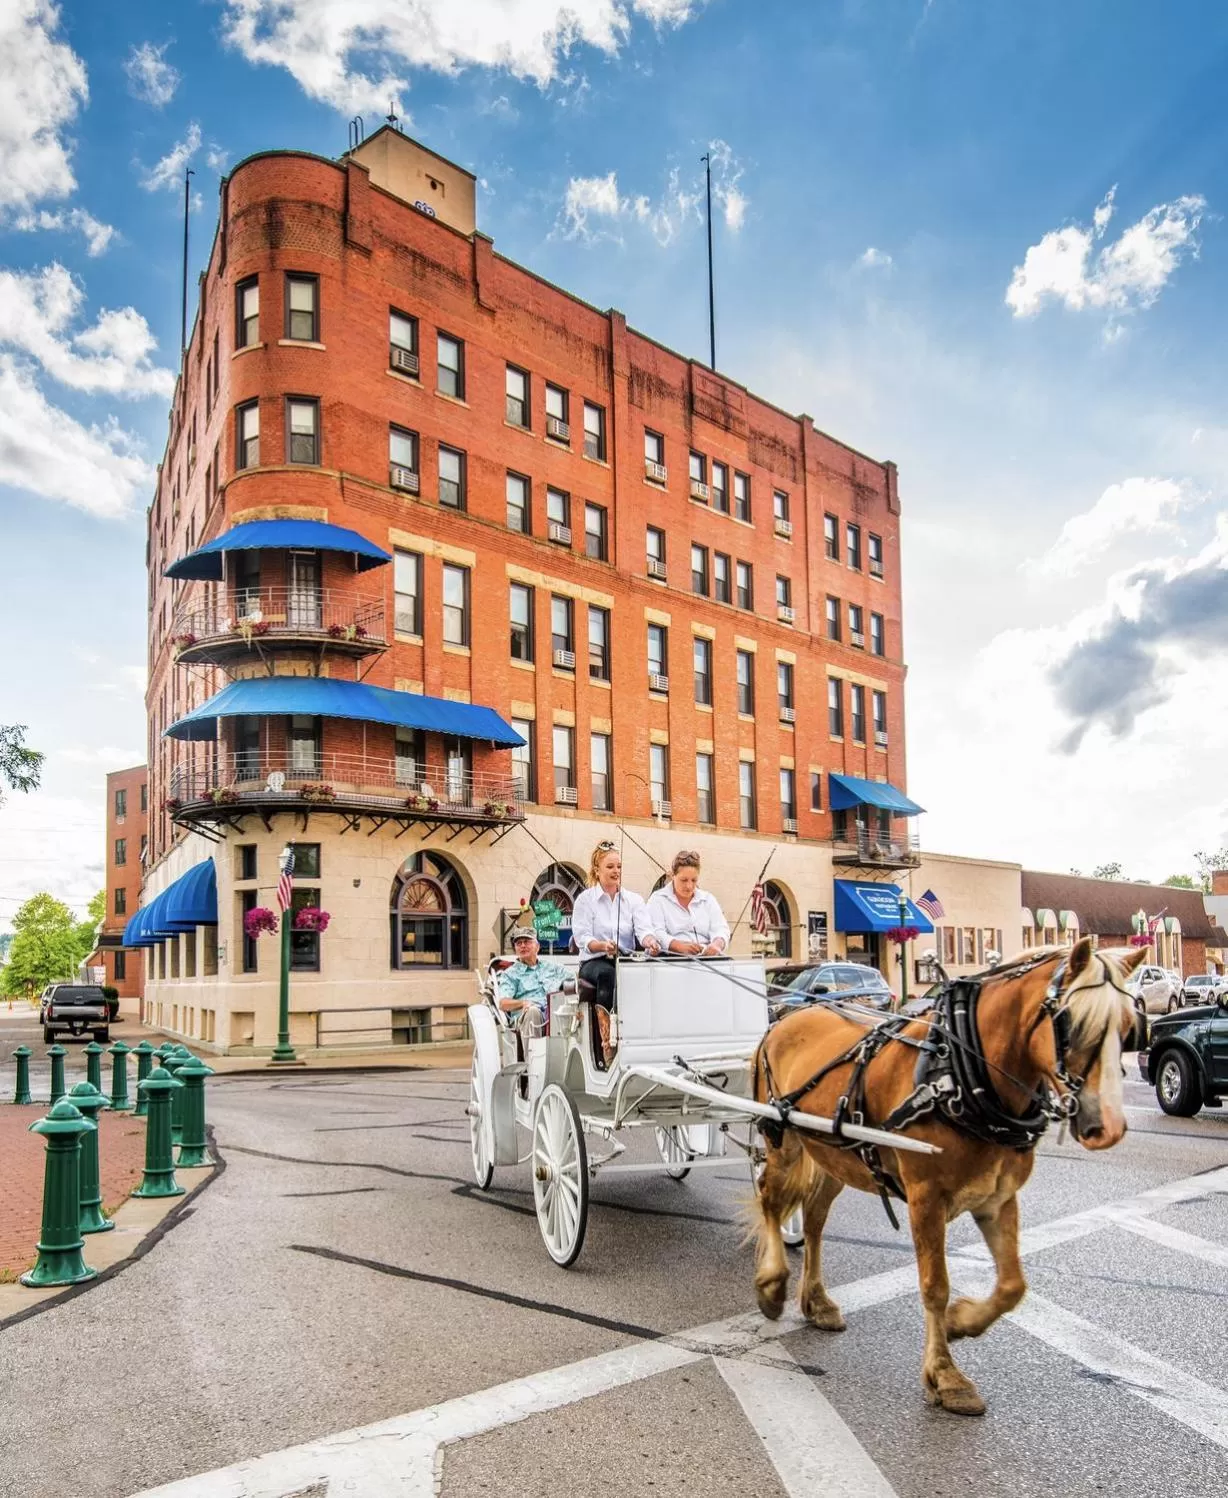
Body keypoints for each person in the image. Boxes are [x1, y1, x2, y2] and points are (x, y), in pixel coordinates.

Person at [571, 840, 661, 1064]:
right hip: (594, 961)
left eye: (619, 866)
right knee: (608, 975)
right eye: (610, 866)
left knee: (649, 974)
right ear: (597, 869)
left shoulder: (633, 900)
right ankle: (608, 1046)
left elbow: (644, 930)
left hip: (624, 959)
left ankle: (648, 1036)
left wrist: (651, 942)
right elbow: (582, 938)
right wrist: (602, 945)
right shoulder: (585, 900)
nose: (616, 871)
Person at [646, 850, 731, 956]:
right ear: (673, 875)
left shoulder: (708, 899)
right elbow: (655, 931)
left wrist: (717, 945)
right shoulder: (658, 899)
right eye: (684, 880)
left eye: (694, 880)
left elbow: (721, 928)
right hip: (670, 957)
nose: (689, 886)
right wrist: (677, 946)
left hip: (706, 956)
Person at [497, 924, 568, 1036]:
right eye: (519, 943)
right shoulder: (510, 974)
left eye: (527, 942)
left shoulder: (552, 967)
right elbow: (503, 1004)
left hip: (555, 1014)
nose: (523, 946)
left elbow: (574, 979)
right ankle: (533, 1048)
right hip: (528, 1018)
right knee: (533, 1011)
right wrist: (523, 1003)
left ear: (537, 947)